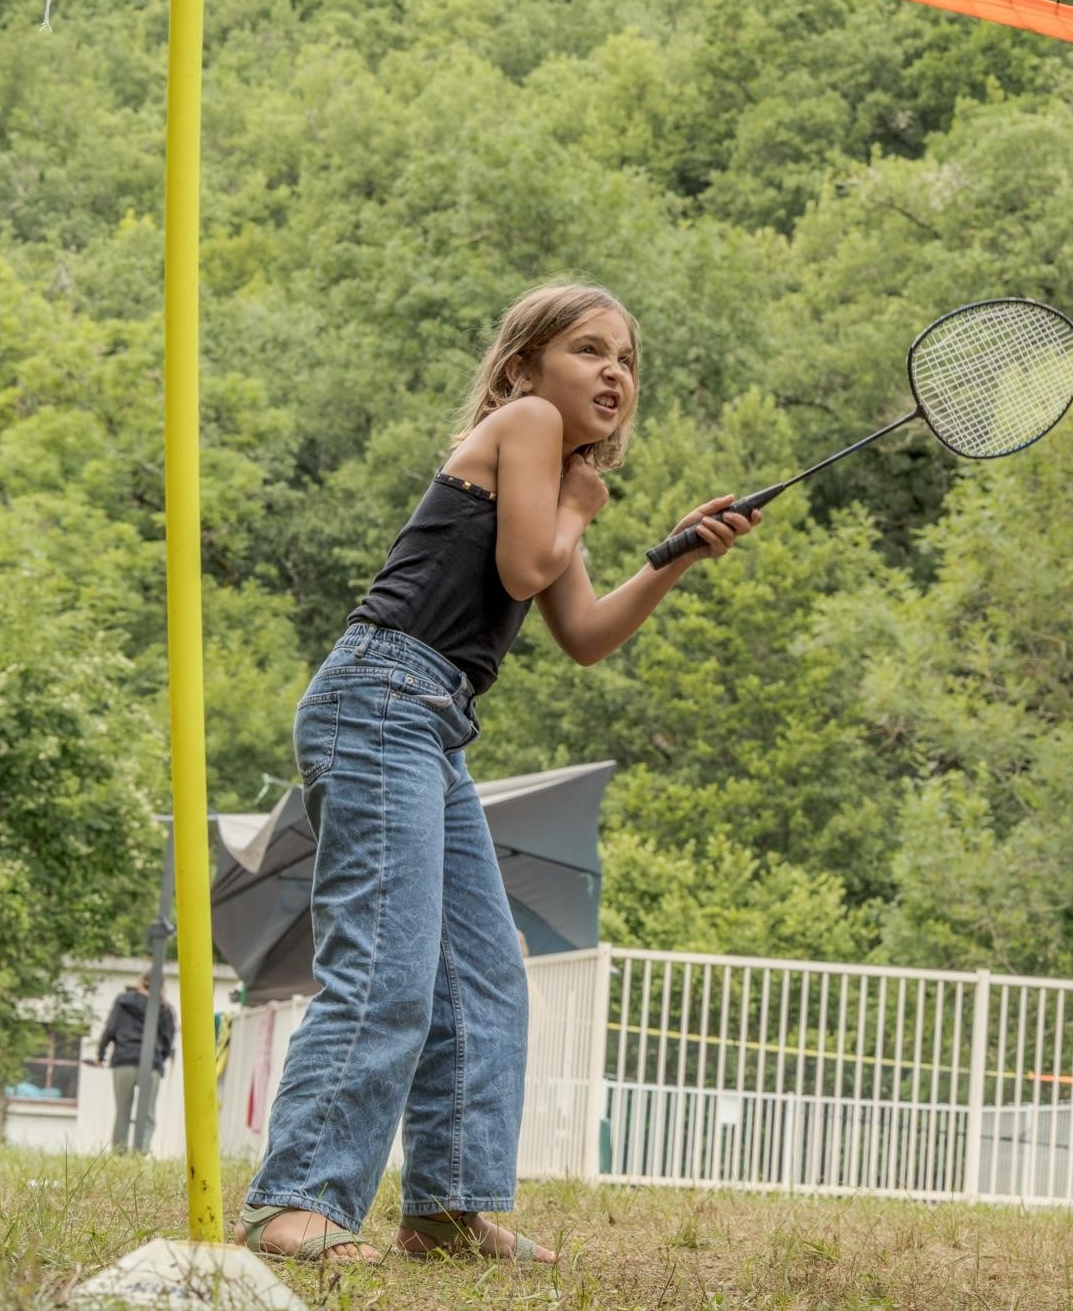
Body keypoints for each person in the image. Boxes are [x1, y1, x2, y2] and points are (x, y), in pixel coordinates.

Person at [235, 282, 760, 1265]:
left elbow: (585, 633)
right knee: (388, 969)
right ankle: (295, 1203)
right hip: (380, 696)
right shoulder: (523, 427)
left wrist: (678, 556)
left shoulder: (554, 481)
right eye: (589, 351)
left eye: (627, 360)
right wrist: (576, 501)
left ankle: (446, 1212)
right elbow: (524, 568)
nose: (615, 372)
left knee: (481, 979)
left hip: (430, 724)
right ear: (523, 368)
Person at [93, 972, 175, 1152]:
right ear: (161, 986)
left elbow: (110, 1029)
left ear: (140, 982)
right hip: (151, 1063)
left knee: (122, 1110)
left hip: (124, 1060)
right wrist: (160, 1058)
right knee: (147, 1113)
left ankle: (120, 1151)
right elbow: (168, 1041)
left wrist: (100, 1055)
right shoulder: (165, 1009)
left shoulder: (123, 1001)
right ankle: (142, 1150)